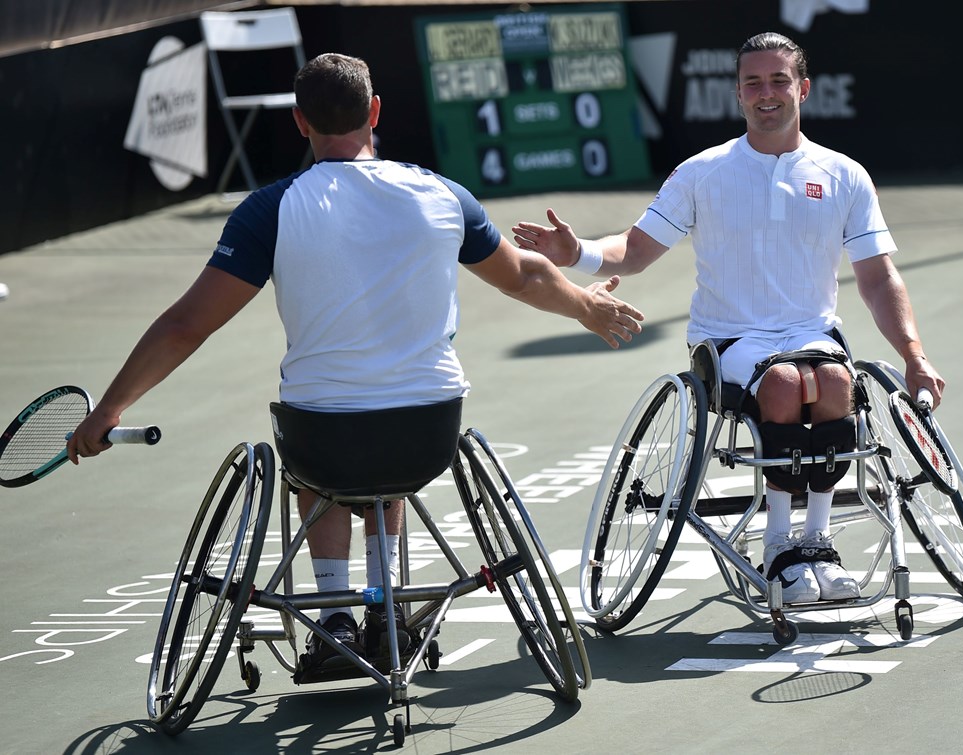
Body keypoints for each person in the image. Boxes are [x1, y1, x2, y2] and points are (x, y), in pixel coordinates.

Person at [67, 52, 644, 666]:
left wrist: (109, 408)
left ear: (299, 122)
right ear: (374, 112)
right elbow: (525, 275)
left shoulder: (271, 209)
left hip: (324, 435)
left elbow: (185, 325)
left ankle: (335, 618)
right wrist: (586, 306)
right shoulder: (442, 193)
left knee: (326, 454)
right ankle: (383, 605)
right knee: (383, 449)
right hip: (429, 433)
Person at [512, 32, 944, 605]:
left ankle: (816, 544)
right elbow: (637, 249)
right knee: (787, 384)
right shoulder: (702, 172)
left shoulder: (845, 175)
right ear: (737, 94)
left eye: (778, 81)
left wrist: (914, 355)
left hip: (812, 335)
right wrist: (578, 255)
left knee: (838, 381)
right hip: (727, 342)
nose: (766, 94)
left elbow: (877, 277)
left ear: (803, 89)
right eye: (753, 83)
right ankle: (778, 548)